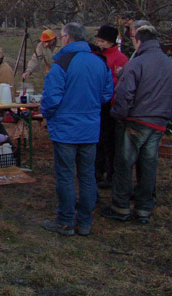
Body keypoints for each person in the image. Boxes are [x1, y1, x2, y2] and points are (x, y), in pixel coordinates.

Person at [100, 24, 172, 224]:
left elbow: (125, 94)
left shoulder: (136, 64)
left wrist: (117, 114)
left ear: (138, 41)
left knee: (124, 163)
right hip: (158, 121)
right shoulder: (170, 64)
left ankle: (121, 206)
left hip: (136, 120)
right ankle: (144, 207)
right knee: (148, 164)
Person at [40, 23, 113, 237]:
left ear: (66, 38)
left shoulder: (62, 62)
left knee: (65, 175)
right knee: (87, 175)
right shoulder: (100, 62)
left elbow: (51, 99)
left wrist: (48, 115)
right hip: (90, 128)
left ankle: (65, 221)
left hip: (65, 129)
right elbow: (107, 94)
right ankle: (84, 222)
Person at [93, 25, 129, 189]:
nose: (99, 44)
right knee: (97, 141)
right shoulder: (94, 56)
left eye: (103, 41)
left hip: (111, 106)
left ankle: (110, 173)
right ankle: (97, 170)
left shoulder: (120, 59)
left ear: (111, 43)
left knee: (109, 142)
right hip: (96, 104)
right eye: (98, 41)